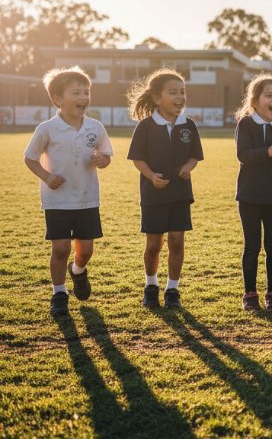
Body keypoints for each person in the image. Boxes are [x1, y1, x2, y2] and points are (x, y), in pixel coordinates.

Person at [24, 66, 113, 316]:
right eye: (77, 93)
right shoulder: (46, 129)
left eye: (87, 92)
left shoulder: (95, 127)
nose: (84, 98)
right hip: (57, 200)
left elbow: (107, 155)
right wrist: (47, 176)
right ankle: (59, 292)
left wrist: (102, 160)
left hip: (87, 199)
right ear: (58, 99)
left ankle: (78, 271)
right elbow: (30, 158)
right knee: (61, 248)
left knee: (85, 250)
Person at [126, 69, 204, 309]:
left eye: (183, 92)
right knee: (153, 244)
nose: (180, 97)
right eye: (173, 92)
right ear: (157, 98)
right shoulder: (146, 126)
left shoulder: (188, 125)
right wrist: (151, 176)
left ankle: (172, 289)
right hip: (153, 195)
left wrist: (187, 167)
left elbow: (195, 156)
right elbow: (137, 158)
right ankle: (151, 285)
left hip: (180, 194)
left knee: (177, 242)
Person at [235, 75, 272, 311]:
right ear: (255, 99)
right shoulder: (246, 124)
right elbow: (243, 155)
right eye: (269, 95)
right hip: (250, 195)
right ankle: (250, 294)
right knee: (252, 246)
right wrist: (267, 152)